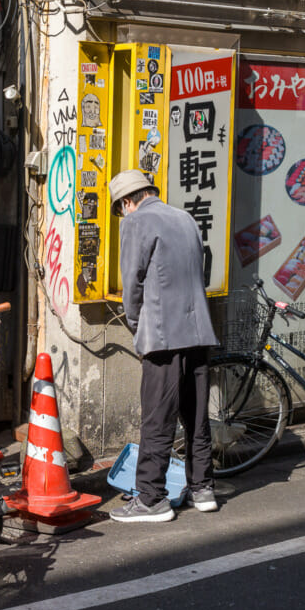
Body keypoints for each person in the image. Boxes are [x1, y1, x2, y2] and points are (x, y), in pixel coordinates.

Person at [107, 169, 219, 522]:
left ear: (127, 202)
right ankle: (203, 489)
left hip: (162, 336)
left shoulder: (136, 222)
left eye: (121, 209)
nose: (123, 215)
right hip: (198, 331)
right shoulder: (184, 217)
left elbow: (132, 284)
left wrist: (138, 328)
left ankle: (152, 498)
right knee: (196, 415)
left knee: (157, 417)